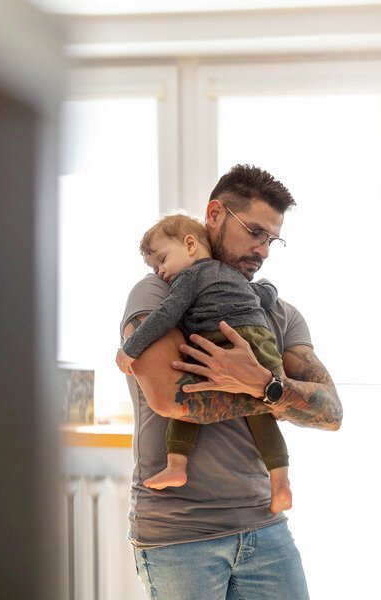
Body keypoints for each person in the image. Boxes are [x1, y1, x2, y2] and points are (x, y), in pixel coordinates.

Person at [120, 164, 342, 600]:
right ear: (215, 214)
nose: (263, 250)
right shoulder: (158, 293)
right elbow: (172, 400)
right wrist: (277, 395)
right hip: (180, 537)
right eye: (255, 232)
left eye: (272, 240)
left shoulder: (278, 311)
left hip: (267, 529)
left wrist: (263, 384)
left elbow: (332, 413)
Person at [115, 213, 291, 515]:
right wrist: (270, 287)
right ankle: (281, 483)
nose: (160, 272)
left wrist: (130, 349)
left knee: (190, 394)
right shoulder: (235, 276)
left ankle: (177, 465)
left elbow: (166, 314)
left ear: (190, 244)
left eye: (162, 260)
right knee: (262, 413)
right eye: (155, 268)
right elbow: (264, 295)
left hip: (220, 339)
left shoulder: (190, 277)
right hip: (260, 343)